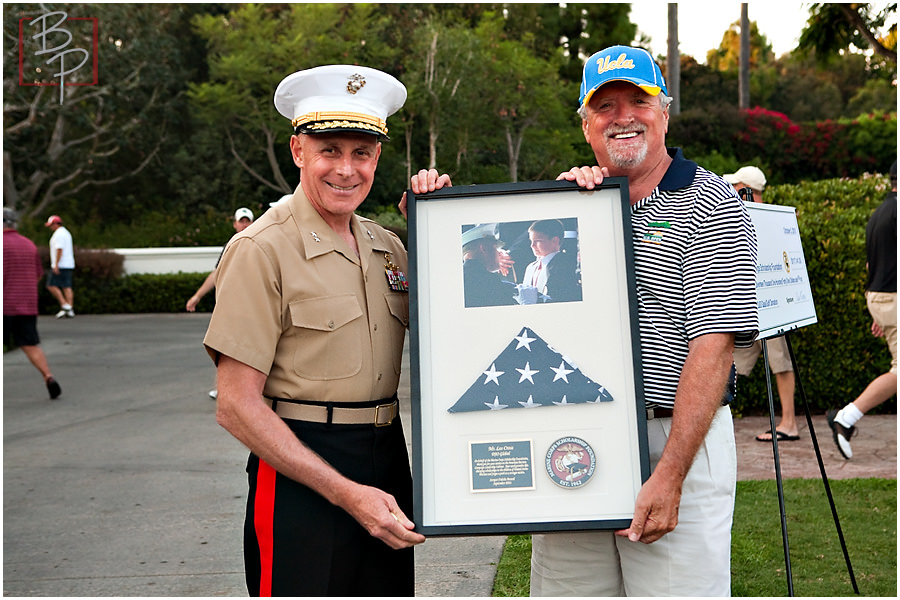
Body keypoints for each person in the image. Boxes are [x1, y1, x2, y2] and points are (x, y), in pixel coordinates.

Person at [412, 44, 758, 596]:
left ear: (663, 112)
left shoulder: (712, 199)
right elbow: (501, 320)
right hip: (571, 431)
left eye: (637, 101)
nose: (623, 116)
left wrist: (668, 477)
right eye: (605, 105)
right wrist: (434, 222)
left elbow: (714, 347)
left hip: (672, 439)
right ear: (587, 126)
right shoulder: (571, 204)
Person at [203, 64, 424, 596]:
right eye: (330, 150)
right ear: (298, 151)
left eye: (362, 153)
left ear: (378, 157)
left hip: (387, 457)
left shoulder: (389, 247)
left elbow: (471, 324)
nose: (346, 170)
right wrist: (346, 493)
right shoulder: (262, 249)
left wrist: (438, 220)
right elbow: (235, 404)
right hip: (300, 469)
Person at [827, 160, 897, 459]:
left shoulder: (880, 213)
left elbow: (873, 265)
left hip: (882, 297)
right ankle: (847, 417)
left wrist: (880, 311)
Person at [724, 166, 799, 442]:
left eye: (737, 186)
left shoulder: (763, 217)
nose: (731, 191)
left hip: (770, 308)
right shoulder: (749, 215)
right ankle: (715, 422)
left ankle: (789, 423)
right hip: (750, 306)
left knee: (779, 363)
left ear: (748, 190)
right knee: (731, 363)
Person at [4, 207, 62, 399]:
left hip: (4, 305)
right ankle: (49, 377)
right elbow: (37, 275)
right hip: (27, 305)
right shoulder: (29, 245)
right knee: (30, 344)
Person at [185, 207, 255, 313]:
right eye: (241, 221)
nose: (244, 225)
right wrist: (197, 296)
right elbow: (217, 273)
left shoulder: (260, 245)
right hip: (235, 303)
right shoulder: (229, 246)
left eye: (247, 221)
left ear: (253, 223)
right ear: (235, 224)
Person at [520, 219, 582, 303]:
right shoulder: (530, 267)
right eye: (531, 241)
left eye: (538, 241)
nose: (532, 245)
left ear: (555, 241)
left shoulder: (565, 266)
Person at [462, 223, 518, 307]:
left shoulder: (461, 277)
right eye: (495, 248)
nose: (498, 253)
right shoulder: (486, 280)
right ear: (484, 248)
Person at [44, 214, 75, 318]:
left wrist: (56, 264)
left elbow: (59, 249)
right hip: (68, 264)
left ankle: (65, 304)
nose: (51, 228)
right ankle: (69, 308)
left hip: (61, 264)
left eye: (51, 225)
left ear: (56, 224)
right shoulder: (66, 233)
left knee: (51, 285)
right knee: (67, 286)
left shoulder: (59, 234)